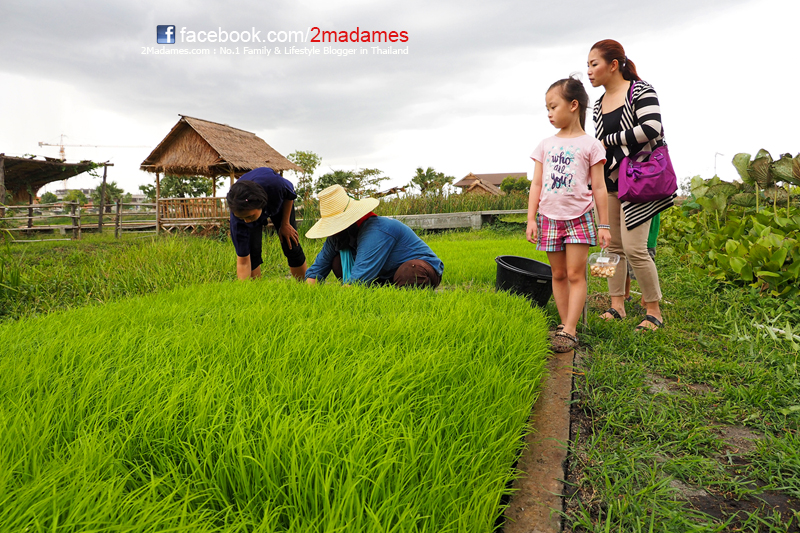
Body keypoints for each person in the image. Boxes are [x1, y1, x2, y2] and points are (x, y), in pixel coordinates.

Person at [588, 39, 674, 331]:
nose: (589, 71)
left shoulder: (640, 90)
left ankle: (654, 311)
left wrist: (609, 140)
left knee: (636, 248)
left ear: (613, 65)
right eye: (588, 65)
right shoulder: (598, 104)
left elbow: (651, 127)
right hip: (610, 180)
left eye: (594, 64)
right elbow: (600, 148)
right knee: (614, 247)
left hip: (639, 180)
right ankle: (617, 306)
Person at [526, 76, 611, 353]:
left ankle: (570, 330)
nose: (549, 113)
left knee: (575, 273)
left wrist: (604, 225)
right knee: (559, 273)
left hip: (579, 218)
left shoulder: (591, 145)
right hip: (549, 218)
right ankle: (565, 325)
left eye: (553, 107)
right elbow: (536, 184)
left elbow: (599, 187)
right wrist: (531, 218)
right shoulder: (545, 145)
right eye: (547, 108)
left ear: (573, 105)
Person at [304, 184, 443, 287]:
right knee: (337, 261)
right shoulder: (337, 236)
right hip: (385, 274)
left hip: (419, 268)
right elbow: (316, 272)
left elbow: (357, 280)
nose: (333, 231)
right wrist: (308, 294)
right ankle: (381, 293)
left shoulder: (375, 230)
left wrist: (337, 303)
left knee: (409, 272)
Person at [227, 167, 308, 281]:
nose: (247, 221)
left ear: (261, 204)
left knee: (290, 242)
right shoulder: (238, 219)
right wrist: (243, 290)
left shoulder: (274, 185)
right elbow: (243, 261)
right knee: (252, 252)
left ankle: (305, 285)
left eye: (249, 217)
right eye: (242, 218)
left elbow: (290, 194)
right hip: (250, 207)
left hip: (277, 200)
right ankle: (256, 289)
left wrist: (285, 224)